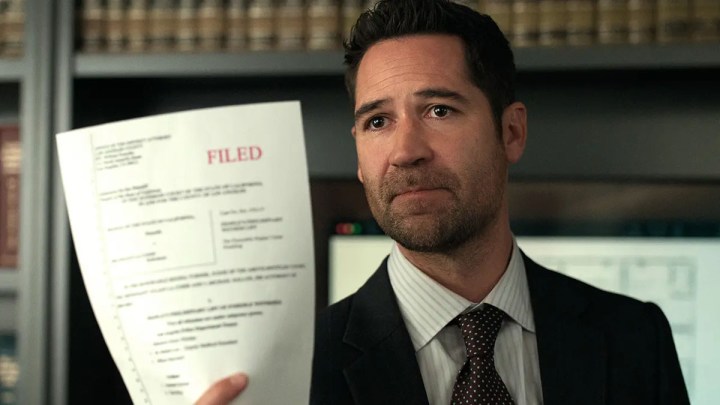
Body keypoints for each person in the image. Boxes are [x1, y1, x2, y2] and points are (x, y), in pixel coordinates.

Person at [197, 0, 690, 404]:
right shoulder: (287, 375)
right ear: (359, 156)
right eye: (377, 122)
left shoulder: (634, 339)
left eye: (439, 110)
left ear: (511, 131)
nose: (405, 151)